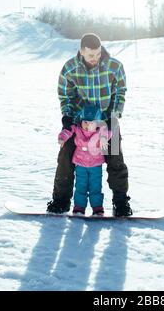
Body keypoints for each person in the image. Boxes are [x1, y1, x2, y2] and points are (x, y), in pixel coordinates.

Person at [47, 33, 133, 217]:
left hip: (108, 123)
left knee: (116, 159)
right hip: (80, 126)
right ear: (81, 52)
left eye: (98, 54)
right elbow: (66, 96)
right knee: (65, 158)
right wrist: (68, 120)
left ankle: (121, 202)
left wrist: (113, 118)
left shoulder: (114, 67)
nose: (95, 58)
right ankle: (60, 201)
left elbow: (120, 93)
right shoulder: (70, 69)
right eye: (91, 55)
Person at [58, 105, 111, 217]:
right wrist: (62, 137)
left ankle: (97, 208)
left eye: (91, 123)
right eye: (85, 122)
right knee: (80, 186)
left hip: (95, 165)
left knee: (95, 187)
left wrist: (103, 138)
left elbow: (108, 133)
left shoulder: (100, 131)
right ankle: (79, 207)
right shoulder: (77, 129)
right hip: (80, 164)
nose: (87, 125)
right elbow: (68, 131)